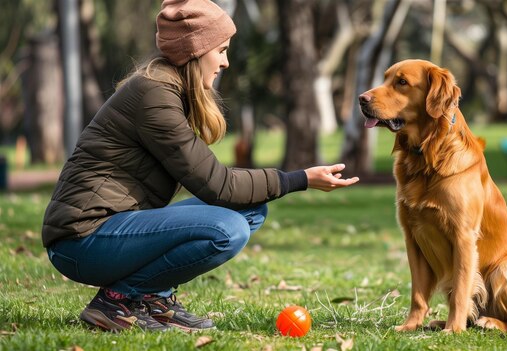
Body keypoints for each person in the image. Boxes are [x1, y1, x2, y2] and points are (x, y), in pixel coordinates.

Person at [42, 0, 359, 333]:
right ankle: (119, 300)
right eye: (220, 50)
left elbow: (217, 182)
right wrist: (300, 179)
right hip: (82, 241)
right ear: (196, 51)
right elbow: (217, 185)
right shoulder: (154, 95)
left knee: (252, 211)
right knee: (228, 230)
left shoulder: (167, 88)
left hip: (110, 229)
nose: (225, 61)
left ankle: (155, 297)